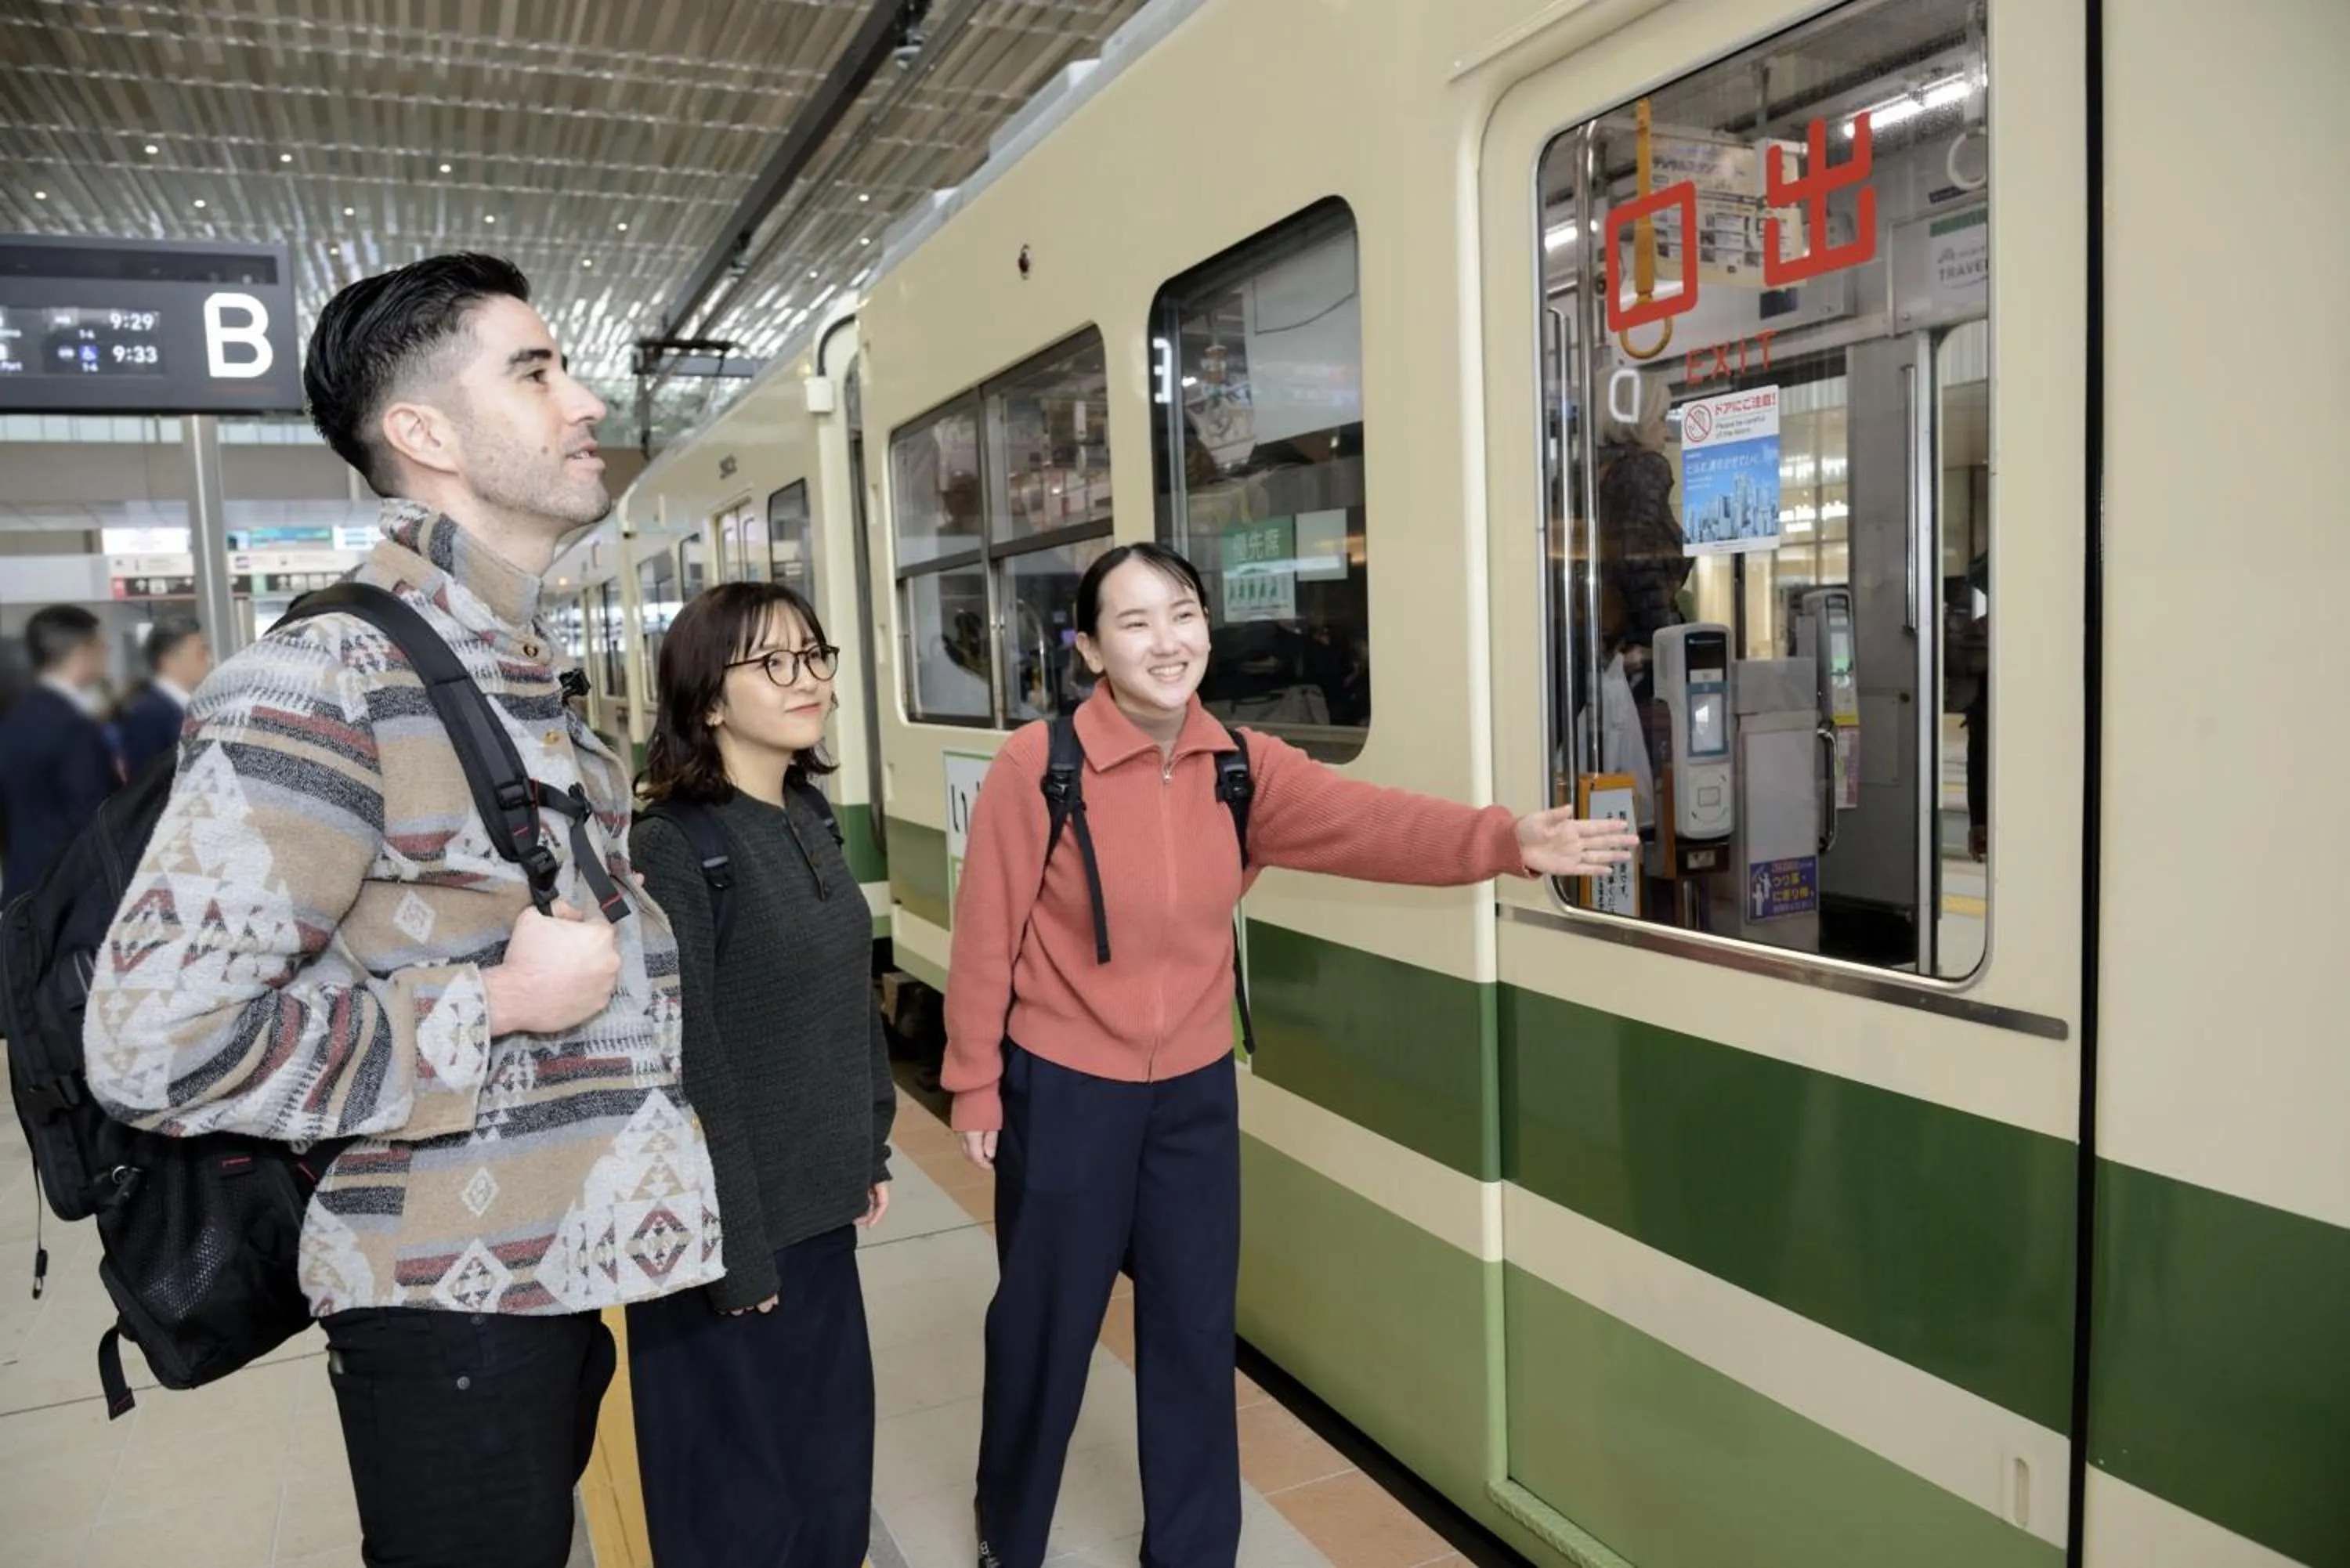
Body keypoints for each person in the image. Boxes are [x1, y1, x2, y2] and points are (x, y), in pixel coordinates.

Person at [82, 253, 723, 1568]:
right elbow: (150, 1044)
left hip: (542, 1278)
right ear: (424, 432)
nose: (587, 401)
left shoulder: (501, 662)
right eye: (536, 372)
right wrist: (500, 1001)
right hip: (444, 1309)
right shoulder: (324, 680)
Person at [944, 543, 1638, 1568]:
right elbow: (986, 930)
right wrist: (973, 1080)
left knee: (1192, 1327)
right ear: (1089, 649)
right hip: (1067, 1085)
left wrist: (1504, 842)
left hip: (1191, 1091)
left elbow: (1371, 823)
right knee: (1046, 1326)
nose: (1166, 640)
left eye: (1182, 613)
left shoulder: (1240, 766)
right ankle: (1010, 1530)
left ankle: (1193, 1551)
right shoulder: (1038, 767)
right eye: (1134, 621)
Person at [624, 581, 896, 1568]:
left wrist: (870, 1142)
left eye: (814, 655)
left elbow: (845, 995)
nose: (806, 678)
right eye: (773, 662)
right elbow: (688, 1066)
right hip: (730, 1242)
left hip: (817, 1217)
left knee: (828, 1481)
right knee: (739, 1512)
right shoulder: (674, 845)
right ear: (707, 698)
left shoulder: (809, 814)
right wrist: (737, 1249)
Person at [0, 604, 118, 906]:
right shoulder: (73, 727)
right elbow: (91, 815)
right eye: (100, 645)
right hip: (69, 894)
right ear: (81, 652)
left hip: (22, 884)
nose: (107, 651)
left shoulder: (16, 719)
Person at [118, 612, 213, 775]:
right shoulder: (147, 715)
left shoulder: (196, 706)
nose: (209, 661)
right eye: (200, 653)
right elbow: (146, 781)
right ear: (169, 659)